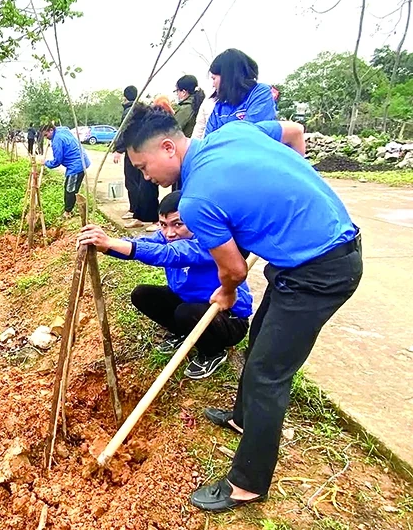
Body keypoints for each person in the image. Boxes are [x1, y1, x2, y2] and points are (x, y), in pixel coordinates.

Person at [119, 105, 362, 512]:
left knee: (269, 373)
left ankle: (247, 483)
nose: (146, 177)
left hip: (322, 269)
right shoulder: (233, 133)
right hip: (296, 263)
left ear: (167, 148)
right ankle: (242, 418)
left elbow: (230, 269)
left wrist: (227, 294)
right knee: (261, 342)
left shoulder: (196, 201)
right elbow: (290, 131)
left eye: (144, 167)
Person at [78, 191, 252, 379]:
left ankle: (213, 353)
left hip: (228, 318)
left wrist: (111, 242)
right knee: (142, 294)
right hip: (190, 303)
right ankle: (182, 333)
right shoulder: (166, 236)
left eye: (178, 224)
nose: (170, 233)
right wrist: (107, 247)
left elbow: (171, 254)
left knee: (185, 312)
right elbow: (143, 244)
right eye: (163, 225)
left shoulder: (211, 242)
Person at [113, 86, 160, 230]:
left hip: (141, 151)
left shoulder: (131, 112)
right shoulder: (135, 110)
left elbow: (125, 132)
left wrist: (119, 149)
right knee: (137, 184)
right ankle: (137, 215)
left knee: (145, 185)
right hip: (134, 151)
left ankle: (155, 220)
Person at [205, 49, 277, 135]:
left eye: (214, 78)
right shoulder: (219, 107)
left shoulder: (260, 93)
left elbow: (251, 134)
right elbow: (208, 140)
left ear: (227, 77)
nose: (213, 84)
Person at [41, 122, 91, 218]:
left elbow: (57, 161)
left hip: (76, 165)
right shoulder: (62, 130)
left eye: (46, 135)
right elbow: (65, 127)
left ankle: (68, 212)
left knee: (69, 189)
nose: (46, 137)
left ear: (51, 130)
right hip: (82, 161)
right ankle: (75, 206)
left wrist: (45, 162)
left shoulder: (57, 141)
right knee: (73, 188)